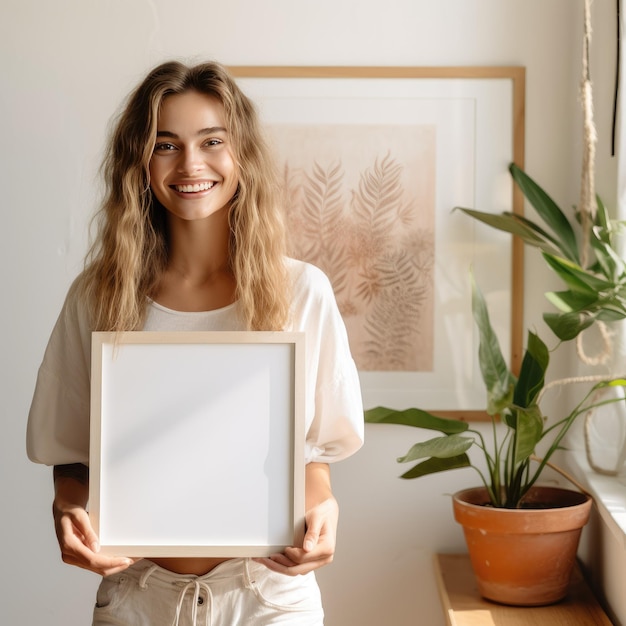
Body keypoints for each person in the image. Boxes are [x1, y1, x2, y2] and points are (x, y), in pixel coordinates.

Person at [26, 60, 364, 626]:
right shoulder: (98, 295)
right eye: (166, 145)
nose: (191, 164)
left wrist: (324, 509)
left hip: (267, 595)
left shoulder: (302, 292)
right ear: (140, 162)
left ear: (243, 156)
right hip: (137, 597)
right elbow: (71, 455)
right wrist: (68, 511)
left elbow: (312, 457)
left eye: (213, 141)